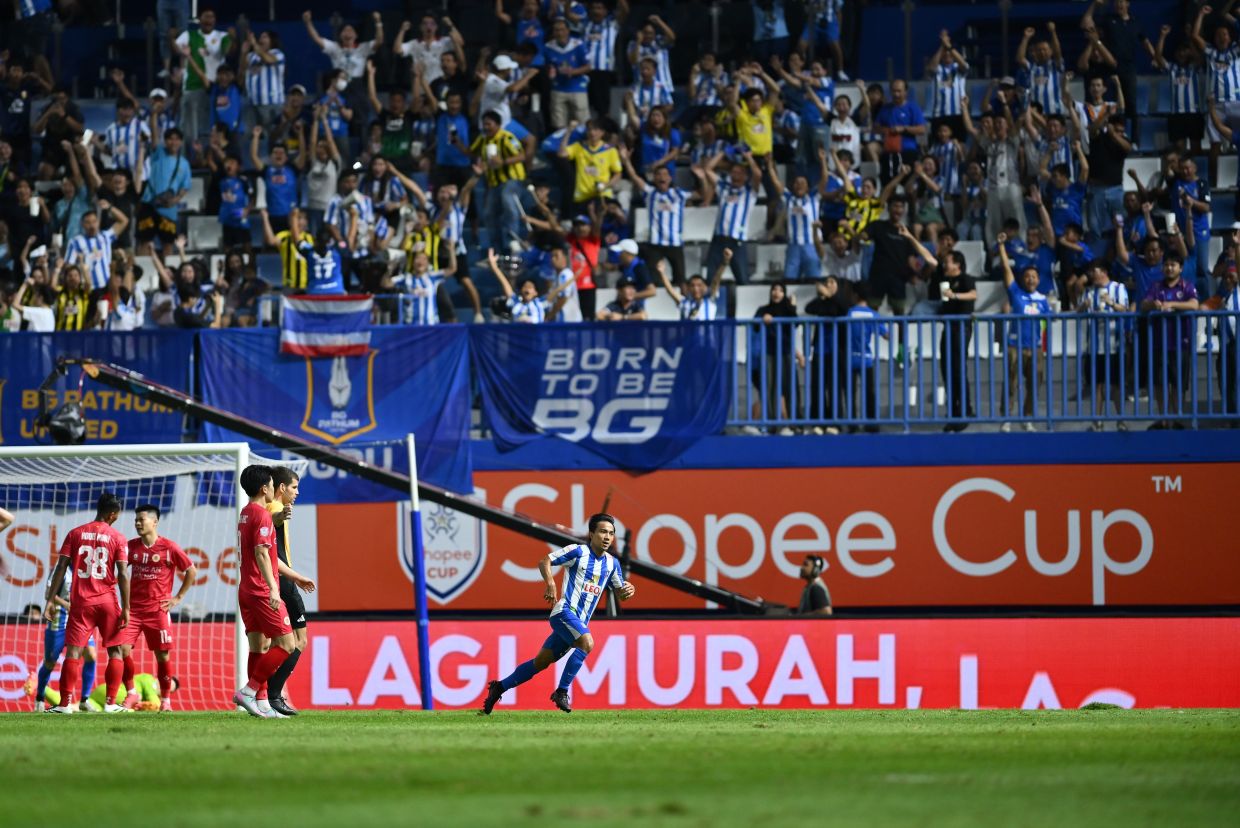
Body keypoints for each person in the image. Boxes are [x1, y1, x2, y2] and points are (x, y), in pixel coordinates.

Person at [482, 513, 635, 714]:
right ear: (591, 534)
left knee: (541, 663)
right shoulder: (578, 552)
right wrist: (551, 584)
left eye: (611, 533)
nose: (607, 537)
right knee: (587, 642)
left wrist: (628, 590)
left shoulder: (612, 564)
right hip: (563, 612)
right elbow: (545, 561)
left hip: (578, 622)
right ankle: (561, 692)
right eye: (603, 532)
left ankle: (499, 687)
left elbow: (620, 594)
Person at [42, 492, 131, 714]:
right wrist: (127, 607)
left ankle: (64, 705)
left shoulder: (75, 533)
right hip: (107, 601)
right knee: (115, 651)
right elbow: (122, 573)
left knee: (73, 652)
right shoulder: (118, 537)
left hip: (81, 603)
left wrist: (51, 599)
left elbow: (61, 567)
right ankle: (111, 704)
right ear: (112, 514)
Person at [117, 504, 197, 712]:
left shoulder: (169, 548)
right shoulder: (130, 547)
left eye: (141, 520)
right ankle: (132, 692)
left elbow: (191, 570)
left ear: (155, 522)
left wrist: (178, 597)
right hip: (133, 610)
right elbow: (118, 571)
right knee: (121, 649)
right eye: (136, 520)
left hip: (157, 611)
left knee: (162, 656)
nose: (137, 523)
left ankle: (166, 701)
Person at [232, 465, 296, 718]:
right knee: (286, 644)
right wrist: (272, 588)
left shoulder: (246, 513)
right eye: (271, 484)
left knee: (259, 646)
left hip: (246, 588)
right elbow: (261, 552)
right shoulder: (261, 515)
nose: (274, 488)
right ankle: (249, 691)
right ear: (264, 488)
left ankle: (262, 703)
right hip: (261, 590)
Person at [265, 467, 316, 717]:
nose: (297, 492)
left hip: (273, 582)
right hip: (283, 583)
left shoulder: (264, 509)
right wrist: (295, 577)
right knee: (299, 641)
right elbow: (275, 520)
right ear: (281, 487)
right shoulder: (275, 508)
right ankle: (273, 695)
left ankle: (263, 695)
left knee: (271, 643)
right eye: (294, 487)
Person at [996, 232, 1052, 432]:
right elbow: (1006, 269)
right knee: (1011, 383)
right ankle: (1007, 418)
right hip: (1014, 346)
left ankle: (1027, 417)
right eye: (1027, 276)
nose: (1030, 279)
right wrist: (1001, 246)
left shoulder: (1044, 300)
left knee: (1035, 384)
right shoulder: (1015, 293)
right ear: (1022, 279)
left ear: (1038, 280)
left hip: (1035, 347)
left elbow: (1047, 324)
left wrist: (1043, 346)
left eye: (1034, 277)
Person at [618, 145, 693, 287]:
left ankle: (685, 306)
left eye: (665, 174)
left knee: (681, 279)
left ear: (670, 178)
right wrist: (626, 161)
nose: (662, 177)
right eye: (658, 175)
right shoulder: (650, 193)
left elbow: (701, 195)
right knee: (653, 280)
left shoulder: (678, 194)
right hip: (655, 244)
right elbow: (634, 177)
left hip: (675, 243)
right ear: (654, 178)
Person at [1141, 254, 1200, 429]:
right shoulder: (1156, 286)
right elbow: (1144, 304)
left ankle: (1177, 418)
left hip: (1181, 343)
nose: (1169, 268)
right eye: (1166, 264)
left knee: (1178, 383)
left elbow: (1194, 304)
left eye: (1173, 264)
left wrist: (1170, 305)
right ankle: (1164, 418)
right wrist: (1153, 305)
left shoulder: (1187, 286)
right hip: (1159, 344)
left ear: (1180, 268)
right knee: (1161, 383)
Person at [1076, 259, 1131, 431]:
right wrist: (1082, 306)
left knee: (1116, 384)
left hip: (1115, 345)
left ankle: (1121, 420)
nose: (1092, 275)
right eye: (1090, 272)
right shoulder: (1088, 292)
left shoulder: (1118, 288)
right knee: (1096, 384)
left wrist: (1111, 303)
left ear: (1104, 271)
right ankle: (1097, 421)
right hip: (1094, 346)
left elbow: (1126, 309)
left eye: (1094, 271)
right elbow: (1078, 311)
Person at [34, 566, 98, 712]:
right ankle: (39, 696)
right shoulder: (60, 569)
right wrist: (67, 605)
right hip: (59, 623)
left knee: (91, 655)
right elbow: (48, 594)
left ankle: (84, 699)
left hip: (80, 622)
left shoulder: (88, 569)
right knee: (50, 663)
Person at [699, 148, 762, 285]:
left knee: (742, 279)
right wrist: (722, 152)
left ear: (745, 176)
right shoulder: (723, 188)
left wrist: (748, 157)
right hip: (719, 239)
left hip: (737, 241)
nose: (736, 174)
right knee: (711, 277)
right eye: (733, 171)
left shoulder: (749, 192)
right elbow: (708, 169)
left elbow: (757, 174)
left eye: (739, 172)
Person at [174, 8, 233, 142]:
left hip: (216, 90)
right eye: (206, 17)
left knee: (212, 130)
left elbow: (228, 52)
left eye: (211, 17)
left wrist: (233, 40)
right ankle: (188, 160)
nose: (209, 20)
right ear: (199, 19)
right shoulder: (189, 35)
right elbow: (177, 48)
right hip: (193, 87)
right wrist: (173, 40)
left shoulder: (222, 36)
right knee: (190, 132)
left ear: (215, 20)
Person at [485, 248, 572, 323]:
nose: (527, 288)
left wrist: (576, 276)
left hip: (536, 340)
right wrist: (494, 267)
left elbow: (558, 289)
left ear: (535, 293)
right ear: (521, 291)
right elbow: (505, 283)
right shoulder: (515, 302)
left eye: (530, 287)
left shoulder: (540, 303)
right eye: (525, 286)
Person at [845, 282, 889, 432]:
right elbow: (886, 335)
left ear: (855, 295)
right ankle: (871, 423)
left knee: (850, 392)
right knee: (869, 391)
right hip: (866, 358)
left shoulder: (848, 313)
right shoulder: (872, 314)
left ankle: (852, 423)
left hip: (849, 358)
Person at [65, 203, 128, 291]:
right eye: (88, 222)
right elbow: (69, 267)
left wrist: (110, 207)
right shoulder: (75, 242)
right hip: (88, 288)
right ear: (82, 224)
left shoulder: (105, 237)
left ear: (98, 222)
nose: (92, 225)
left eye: (94, 221)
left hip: (107, 286)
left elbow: (124, 221)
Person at [658, 252, 726, 321]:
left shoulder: (710, 300)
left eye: (699, 285)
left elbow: (715, 281)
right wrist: (661, 273)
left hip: (706, 332)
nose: (696, 288)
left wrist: (724, 263)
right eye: (692, 285)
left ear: (705, 287)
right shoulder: (684, 302)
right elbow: (670, 291)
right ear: (688, 288)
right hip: (688, 332)